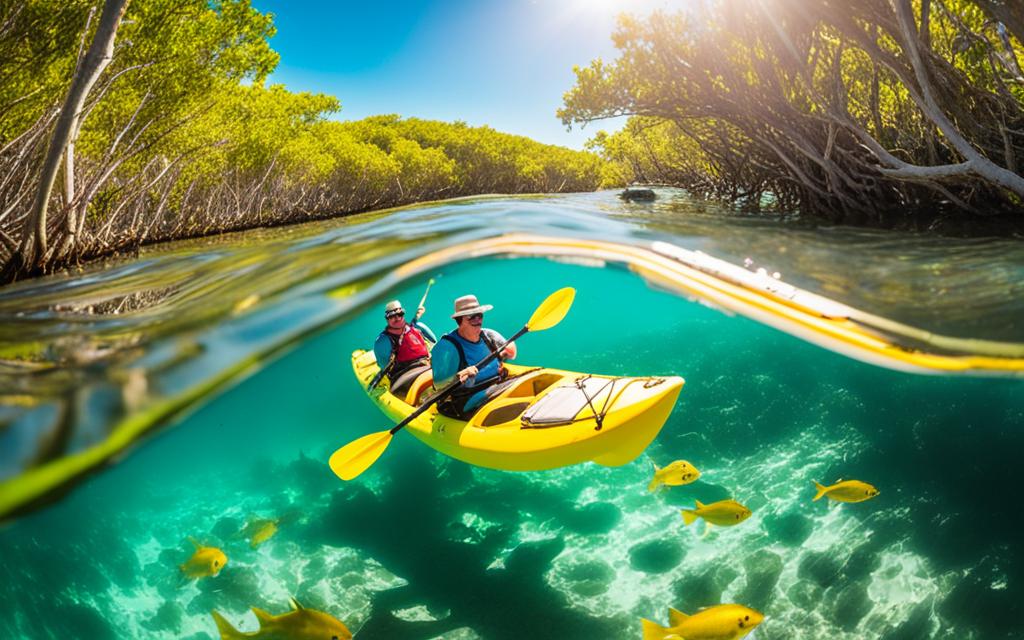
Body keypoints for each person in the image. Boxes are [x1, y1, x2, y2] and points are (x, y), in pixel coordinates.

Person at [431, 294, 517, 420]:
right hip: (468, 400)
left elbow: (511, 353)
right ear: (460, 320)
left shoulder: (489, 335)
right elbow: (438, 385)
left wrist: (507, 353)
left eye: (480, 315)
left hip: (496, 386)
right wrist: (460, 375)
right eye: (472, 317)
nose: (478, 320)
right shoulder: (447, 347)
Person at [373, 300, 437, 398]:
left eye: (399, 314)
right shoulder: (383, 341)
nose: (397, 318)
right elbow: (385, 367)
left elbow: (435, 346)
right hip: (404, 376)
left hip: (427, 367)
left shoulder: (418, 328)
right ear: (387, 319)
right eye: (392, 316)